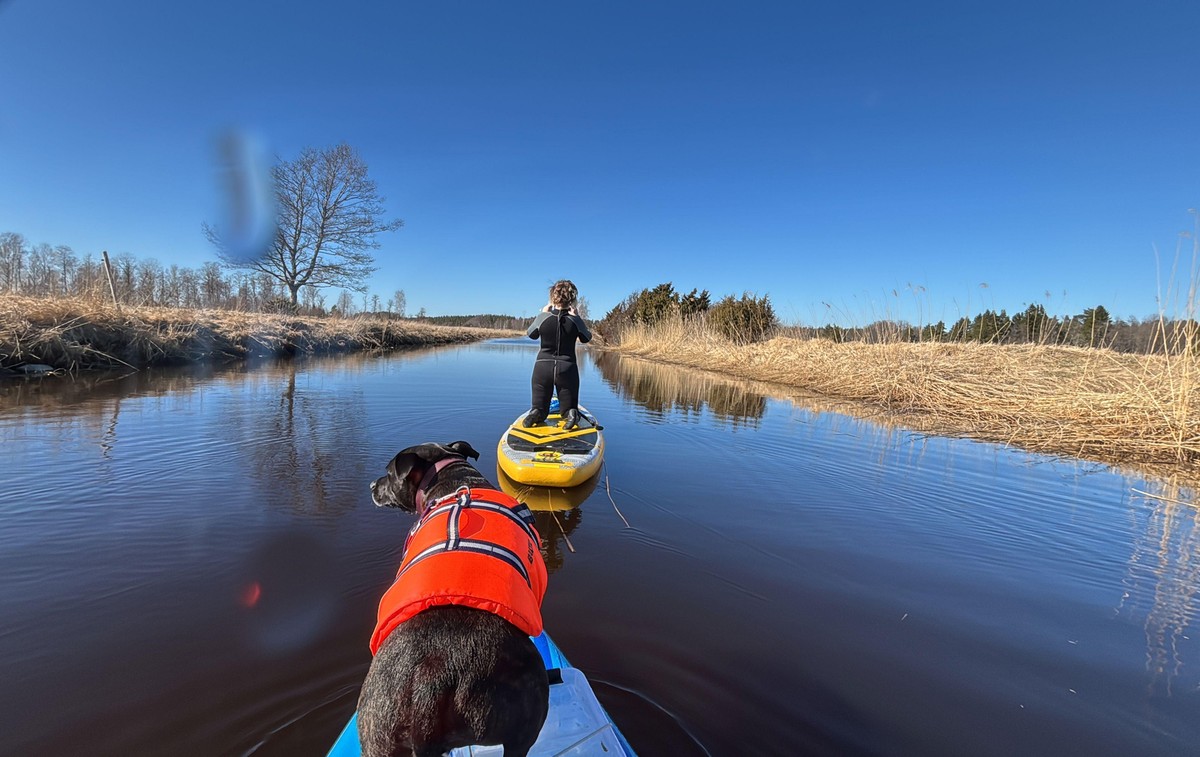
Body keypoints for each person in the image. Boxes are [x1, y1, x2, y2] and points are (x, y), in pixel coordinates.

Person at [525, 280, 592, 429]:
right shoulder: (574, 320)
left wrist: (542, 313)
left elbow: (531, 334)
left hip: (542, 368)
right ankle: (571, 414)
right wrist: (577, 317)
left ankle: (535, 414)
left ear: (552, 297)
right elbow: (586, 338)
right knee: (568, 409)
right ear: (572, 299)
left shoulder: (544, 317)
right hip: (567, 368)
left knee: (539, 408)